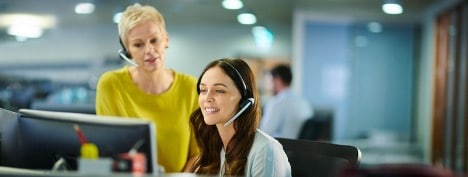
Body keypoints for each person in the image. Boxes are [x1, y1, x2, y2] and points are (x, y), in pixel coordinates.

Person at [95, 3, 199, 172]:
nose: (149, 50)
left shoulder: (190, 87)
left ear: (166, 39)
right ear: (127, 51)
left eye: (154, 40)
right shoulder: (111, 85)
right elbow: (111, 150)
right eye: (138, 44)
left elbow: (198, 154)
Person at [189, 58, 291, 176]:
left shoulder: (265, 151)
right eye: (203, 90)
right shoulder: (216, 148)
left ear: (245, 100)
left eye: (219, 91)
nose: (207, 98)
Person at [260, 64, 313, 139]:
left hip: (282, 147)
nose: (268, 85)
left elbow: (264, 132)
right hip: (299, 147)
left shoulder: (278, 103)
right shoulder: (303, 102)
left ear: (277, 80)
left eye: (269, 80)